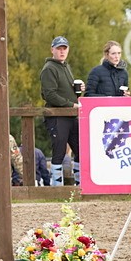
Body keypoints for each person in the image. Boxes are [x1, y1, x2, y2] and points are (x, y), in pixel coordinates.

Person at [40, 36, 81, 185]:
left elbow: (64, 91)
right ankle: (57, 187)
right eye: (59, 48)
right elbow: (49, 94)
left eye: (64, 48)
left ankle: (79, 185)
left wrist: (77, 92)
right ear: (52, 50)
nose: (62, 51)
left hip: (70, 116)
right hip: (57, 116)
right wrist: (71, 104)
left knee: (79, 149)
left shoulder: (65, 66)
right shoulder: (49, 69)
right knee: (59, 151)